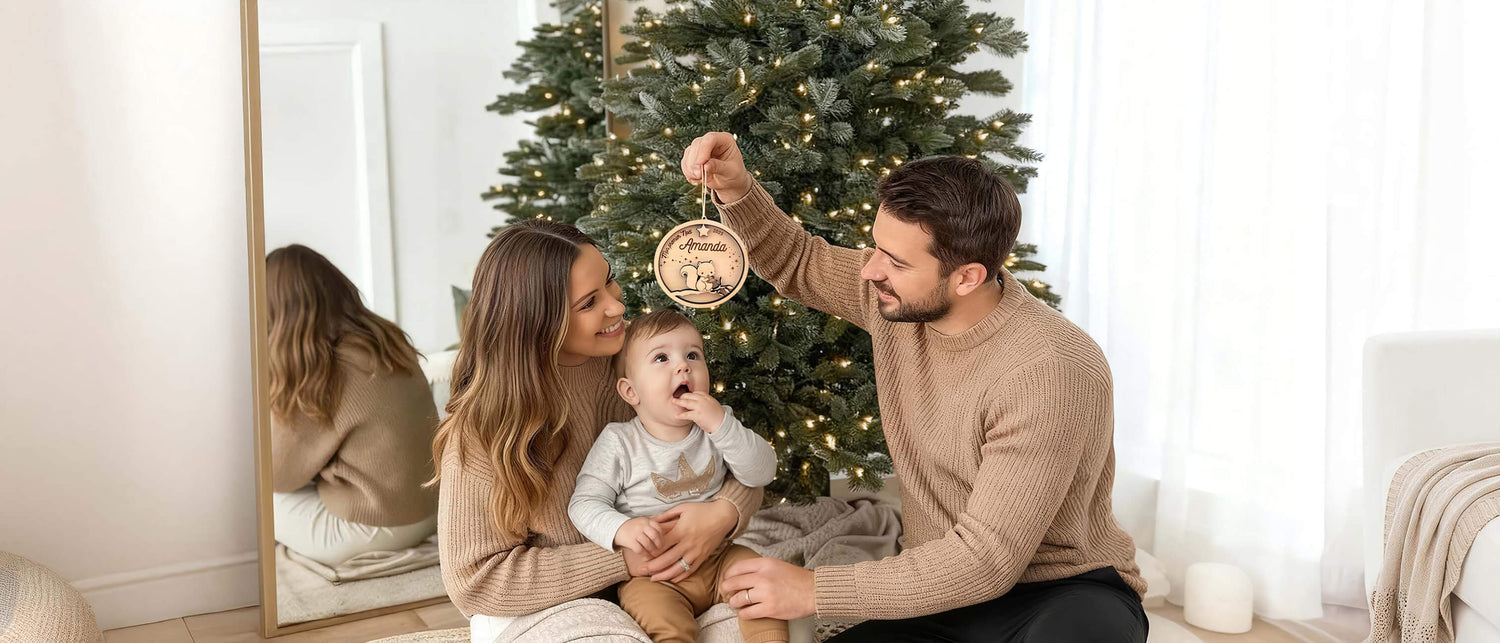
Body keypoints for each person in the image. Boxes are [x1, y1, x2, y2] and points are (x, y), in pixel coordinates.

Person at [680, 133, 1149, 641]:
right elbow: (797, 261)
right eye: (877, 247)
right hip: (938, 588)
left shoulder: (1051, 370)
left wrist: (813, 589)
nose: (871, 269)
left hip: (1062, 592)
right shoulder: (893, 294)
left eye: (895, 262)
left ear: (967, 277)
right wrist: (736, 189)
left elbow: (986, 559)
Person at [429, 220, 765, 639]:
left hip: (666, 580)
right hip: (545, 603)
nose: (617, 307)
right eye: (589, 303)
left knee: (778, 609)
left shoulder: (647, 362)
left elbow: (740, 458)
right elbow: (477, 582)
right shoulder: (483, 428)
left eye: (611, 282)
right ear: (538, 322)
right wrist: (622, 560)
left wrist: (722, 514)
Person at [569, 309, 786, 643]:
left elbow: (761, 472)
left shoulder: (718, 425)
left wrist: (721, 426)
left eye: (692, 355)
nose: (683, 366)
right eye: (661, 358)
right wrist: (621, 529)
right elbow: (583, 503)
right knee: (661, 618)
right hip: (655, 575)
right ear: (630, 392)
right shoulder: (619, 442)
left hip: (718, 556)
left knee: (760, 577)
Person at [266, 244, 439, 567]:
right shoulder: (387, 340)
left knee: (255, 497)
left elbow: (277, 477)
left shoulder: (320, 368)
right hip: (431, 511)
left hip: (377, 525)